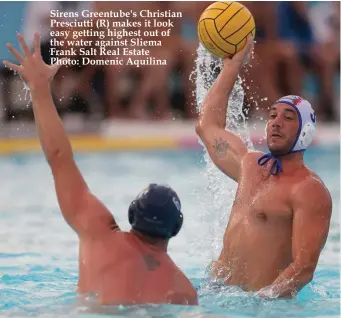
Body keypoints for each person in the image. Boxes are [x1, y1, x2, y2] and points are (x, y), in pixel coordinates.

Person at [3, 33, 198, 306]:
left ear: (131, 214)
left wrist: (39, 88)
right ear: (176, 228)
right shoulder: (184, 291)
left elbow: (59, 157)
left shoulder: (99, 232)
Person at [195, 36, 332, 298]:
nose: (276, 122)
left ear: (305, 132)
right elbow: (207, 126)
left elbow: (303, 268)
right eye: (272, 115)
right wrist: (231, 68)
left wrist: (262, 304)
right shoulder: (250, 165)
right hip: (217, 293)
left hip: (259, 304)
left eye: (288, 118)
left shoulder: (308, 190)